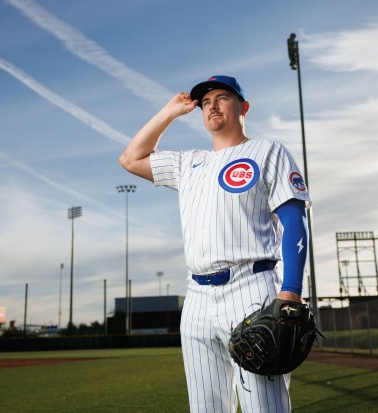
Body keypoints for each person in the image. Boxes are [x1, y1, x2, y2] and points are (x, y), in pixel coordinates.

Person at [119, 75, 311, 413]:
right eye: (206, 102)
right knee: (205, 408)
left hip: (252, 289)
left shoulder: (268, 151)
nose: (212, 106)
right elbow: (131, 159)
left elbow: (295, 221)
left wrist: (290, 291)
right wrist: (169, 112)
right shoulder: (189, 163)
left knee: (265, 408)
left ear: (243, 107)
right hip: (196, 298)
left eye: (222, 97)